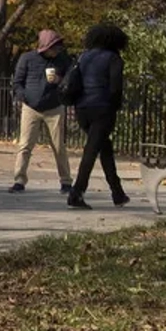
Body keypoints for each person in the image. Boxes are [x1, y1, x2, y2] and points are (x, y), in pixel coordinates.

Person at [67, 22, 131, 210]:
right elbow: (115, 88)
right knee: (91, 151)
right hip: (102, 108)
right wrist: (115, 106)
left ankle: (117, 192)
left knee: (104, 148)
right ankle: (77, 192)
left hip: (82, 108)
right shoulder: (114, 59)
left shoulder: (84, 57)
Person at [9, 29, 74, 194]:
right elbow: (17, 82)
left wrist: (60, 81)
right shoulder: (27, 59)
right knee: (25, 145)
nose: (57, 50)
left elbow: (70, 80)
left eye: (58, 47)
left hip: (54, 107)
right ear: (45, 47)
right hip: (31, 107)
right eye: (54, 47)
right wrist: (24, 97)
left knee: (59, 145)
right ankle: (19, 180)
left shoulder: (63, 60)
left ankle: (66, 181)